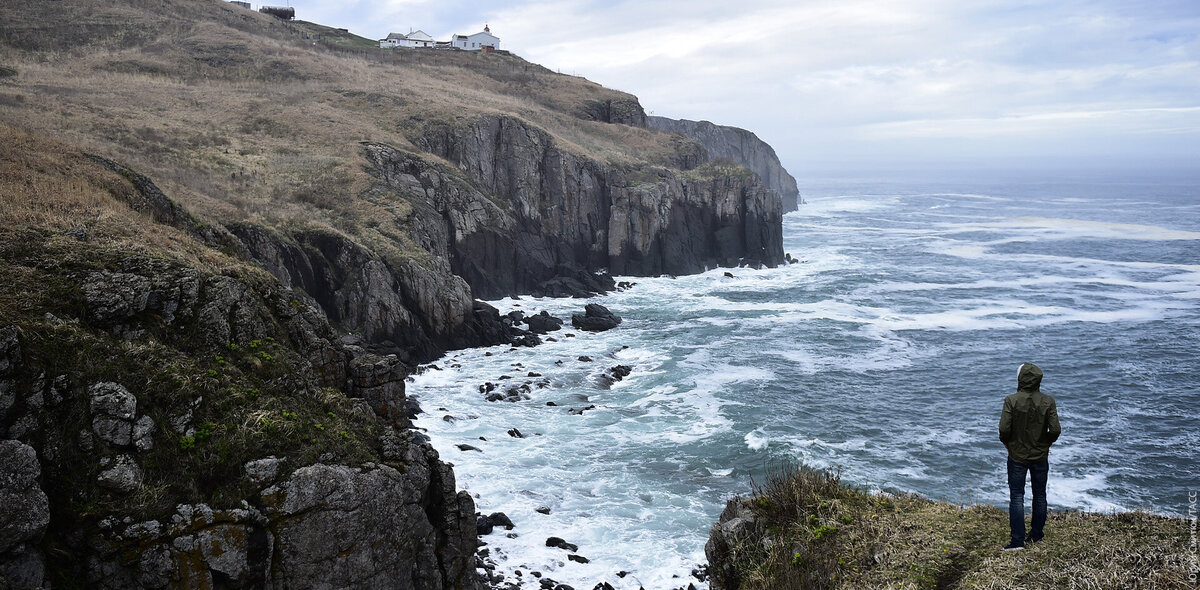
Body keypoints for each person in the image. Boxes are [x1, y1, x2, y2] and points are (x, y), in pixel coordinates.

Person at [998, 362, 1061, 551]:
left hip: (1017, 455)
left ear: (1020, 378)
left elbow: (1003, 429)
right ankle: (1036, 535)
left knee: (1017, 496)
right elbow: (1056, 429)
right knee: (1040, 494)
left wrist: (1008, 444)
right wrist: (1047, 443)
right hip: (1040, 455)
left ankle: (1017, 541)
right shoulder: (1048, 401)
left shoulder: (1012, 400)